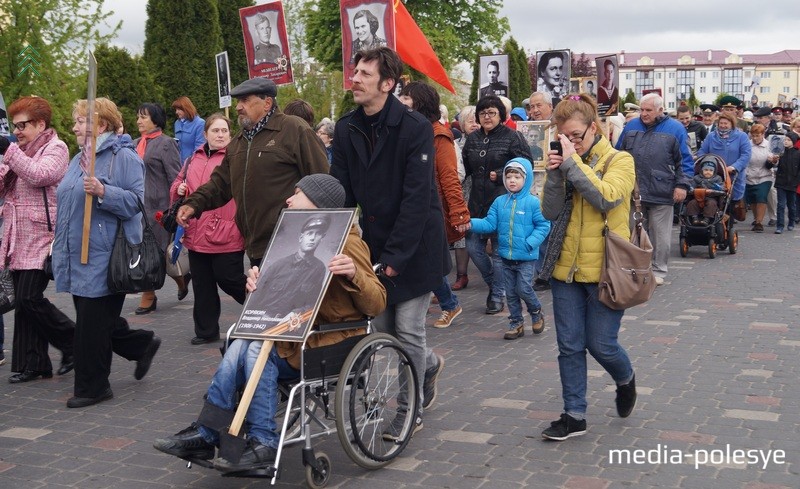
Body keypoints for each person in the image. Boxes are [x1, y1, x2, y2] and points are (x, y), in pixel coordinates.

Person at [154, 174, 387, 472]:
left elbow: (377, 302)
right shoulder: (286, 252)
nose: (289, 199)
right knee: (241, 343)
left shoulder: (349, 243)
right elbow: (269, 303)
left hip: (328, 339)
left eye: (297, 193)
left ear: (318, 203)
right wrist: (256, 286)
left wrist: (354, 273)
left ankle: (241, 436)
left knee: (250, 351)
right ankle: (215, 432)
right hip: (286, 336)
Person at [330, 47, 448, 435]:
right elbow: (342, 193)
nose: (356, 79)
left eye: (365, 73)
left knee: (409, 328)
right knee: (381, 328)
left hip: (417, 244)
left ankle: (407, 411)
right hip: (376, 244)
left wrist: (396, 257)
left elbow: (418, 199)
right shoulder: (347, 128)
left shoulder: (414, 128)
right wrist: (334, 239)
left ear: (387, 84)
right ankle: (427, 364)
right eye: (356, 71)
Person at [539, 94, 637, 441]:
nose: (571, 143)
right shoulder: (567, 162)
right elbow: (549, 213)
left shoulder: (620, 160)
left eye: (576, 136)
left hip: (608, 271)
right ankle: (574, 415)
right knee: (569, 344)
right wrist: (554, 175)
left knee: (602, 345)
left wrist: (571, 165)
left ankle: (625, 379)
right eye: (565, 137)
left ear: (594, 128)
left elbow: (607, 197)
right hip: (566, 269)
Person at [54, 97, 161, 408]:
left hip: (104, 254)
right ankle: (140, 345)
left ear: (101, 125)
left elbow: (136, 202)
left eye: (81, 121)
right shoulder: (79, 159)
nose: (74, 126)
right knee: (96, 321)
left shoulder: (123, 158)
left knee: (90, 327)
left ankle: (93, 387)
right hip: (77, 253)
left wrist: (104, 191)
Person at [176, 77, 329, 267]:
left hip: (291, 242)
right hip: (254, 244)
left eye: (245, 100)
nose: (239, 107)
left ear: (267, 103)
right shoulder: (238, 142)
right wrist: (193, 204)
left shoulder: (294, 129)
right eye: (238, 101)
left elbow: (322, 182)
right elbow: (220, 184)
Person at [0, 96, 75, 384]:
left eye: (23, 125)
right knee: (23, 300)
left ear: (41, 124)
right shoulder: (19, 150)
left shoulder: (56, 148)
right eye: (15, 126)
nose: (17, 131)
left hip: (44, 234)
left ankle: (73, 343)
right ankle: (33, 363)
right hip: (19, 235)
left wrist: (9, 151)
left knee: (30, 297)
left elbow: (40, 175)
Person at [398, 81, 470, 329]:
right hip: (411, 206)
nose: (401, 101)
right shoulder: (408, 130)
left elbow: (449, 176)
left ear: (419, 102)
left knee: (427, 258)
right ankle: (439, 301)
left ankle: (450, 304)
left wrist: (459, 213)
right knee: (419, 257)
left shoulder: (438, 134)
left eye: (406, 97)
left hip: (431, 209)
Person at [170, 114, 246, 345]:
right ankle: (206, 330)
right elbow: (175, 186)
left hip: (227, 231)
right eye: (216, 130)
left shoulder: (237, 158)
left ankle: (262, 311)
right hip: (196, 230)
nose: (221, 135)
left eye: (225, 131)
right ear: (205, 134)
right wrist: (179, 189)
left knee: (229, 278)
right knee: (202, 285)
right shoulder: (193, 158)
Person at [462, 95, 533, 314]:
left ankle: (496, 295)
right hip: (476, 202)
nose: (487, 117)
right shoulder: (472, 139)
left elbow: (526, 164)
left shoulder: (513, 137)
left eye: (491, 112)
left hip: (503, 201)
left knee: (499, 251)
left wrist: (502, 174)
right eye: (483, 113)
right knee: (473, 247)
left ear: (500, 115)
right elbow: (466, 168)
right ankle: (496, 283)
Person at [616, 93, 692, 286]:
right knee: (634, 231)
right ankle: (637, 267)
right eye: (641, 109)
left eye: (648, 110)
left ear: (660, 109)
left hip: (662, 190)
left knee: (660, 235)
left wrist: (682, 185)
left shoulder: (675, 129)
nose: (643, 114)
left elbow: (685, 160)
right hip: (634, 190)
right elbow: (617, 154)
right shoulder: (631, 126)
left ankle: (658, 269)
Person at [470, 158, 549, 340]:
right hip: (505, 257)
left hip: (526, 257)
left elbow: (543, 226)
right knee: (511, 294)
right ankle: (516, 323)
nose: (512, 180)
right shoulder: (499, 202)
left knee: (523, 289)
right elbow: (490, 223)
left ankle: (536, 311)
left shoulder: (533, 202)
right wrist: (470, 223)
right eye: (509, 176)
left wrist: (530, 242)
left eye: (517, 177)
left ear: (526, 178)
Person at [134, 103, 184, 314]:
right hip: (137, 208)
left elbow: (175, 176)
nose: (138, 121)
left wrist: (176, 207)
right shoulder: (134, 143)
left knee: (158, 252)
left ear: (156, 119)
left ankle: (158, 289)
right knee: (143, 250)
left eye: (143, 117)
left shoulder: (166, 144)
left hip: (160, 209)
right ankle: (159, 289)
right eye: (138, 117)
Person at [696, 112, 752, 223]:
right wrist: (701, 161)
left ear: (732, 124)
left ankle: (728, 224)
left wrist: (734, 167)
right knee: (714, 197)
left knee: (731, 201)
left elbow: (746, 154)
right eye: (721, 123)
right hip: (714, 174)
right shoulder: (711, 136)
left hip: (733, 174)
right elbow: (702, 151)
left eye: (726, 123)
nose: (723, 125)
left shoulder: (741, 136)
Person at [526, 91, 554, 292]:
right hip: (531, 188)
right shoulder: (526, 130)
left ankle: (547, 273)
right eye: (532, 107)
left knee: (549, 232)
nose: (535, 110)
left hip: (551, 187)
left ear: (550, 107)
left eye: (539, 106)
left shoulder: (559, 129)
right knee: (537, 231)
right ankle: (541, 273)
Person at [451, 105, 480, 291]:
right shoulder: (456, 144)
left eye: (477, 120)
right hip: (463, 192)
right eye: (471, 121)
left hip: (483, 193)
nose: (475, 124)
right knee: (461, 236)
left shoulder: (487, 142)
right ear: (462, 124)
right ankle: (462, 275)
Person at [745, 123, 777, 233]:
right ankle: (756, 218)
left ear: (763, 134)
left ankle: (759, 222)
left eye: (757, 135)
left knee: (761, 197)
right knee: (753, 199)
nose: (755, 138)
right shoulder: (747, 145)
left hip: (765, 175)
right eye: (753, 135)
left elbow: (773, 161)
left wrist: (773, 161)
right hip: (749, 175)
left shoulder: (770, 145)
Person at [773, 118, 800, 234]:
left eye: (788, 140)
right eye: (785, 140)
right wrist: (772, 161)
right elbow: (771, 165)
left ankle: (791, 222)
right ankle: (780, 225)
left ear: (793, 142)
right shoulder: (781, 153)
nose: (786, 142)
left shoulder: (798, 154)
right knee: (781, 205)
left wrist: (796, 181)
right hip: (781, 182)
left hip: (792, 183)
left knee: (791, 205)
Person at [686, 161, 724, 225]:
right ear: (701, 170)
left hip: (712, 198)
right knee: (692, 203)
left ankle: (707, 219)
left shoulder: (718, 178)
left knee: (711, 204)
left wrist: (718, 188)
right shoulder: (696, 178)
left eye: (711, 170)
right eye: (706, 170)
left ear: (714, 172)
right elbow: (691, 187)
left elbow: (722, 189)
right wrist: (692, 189)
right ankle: (694, 218)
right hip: (698, 197)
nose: (708, 172)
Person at [172, 96, 206, 164]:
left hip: (192, 164)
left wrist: (190, 164)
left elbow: (199, 147)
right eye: (176, 109)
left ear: (186, 109)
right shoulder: (177, 123)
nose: (176, 112)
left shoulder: (200, 123)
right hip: (178, 165)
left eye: (179, 109)